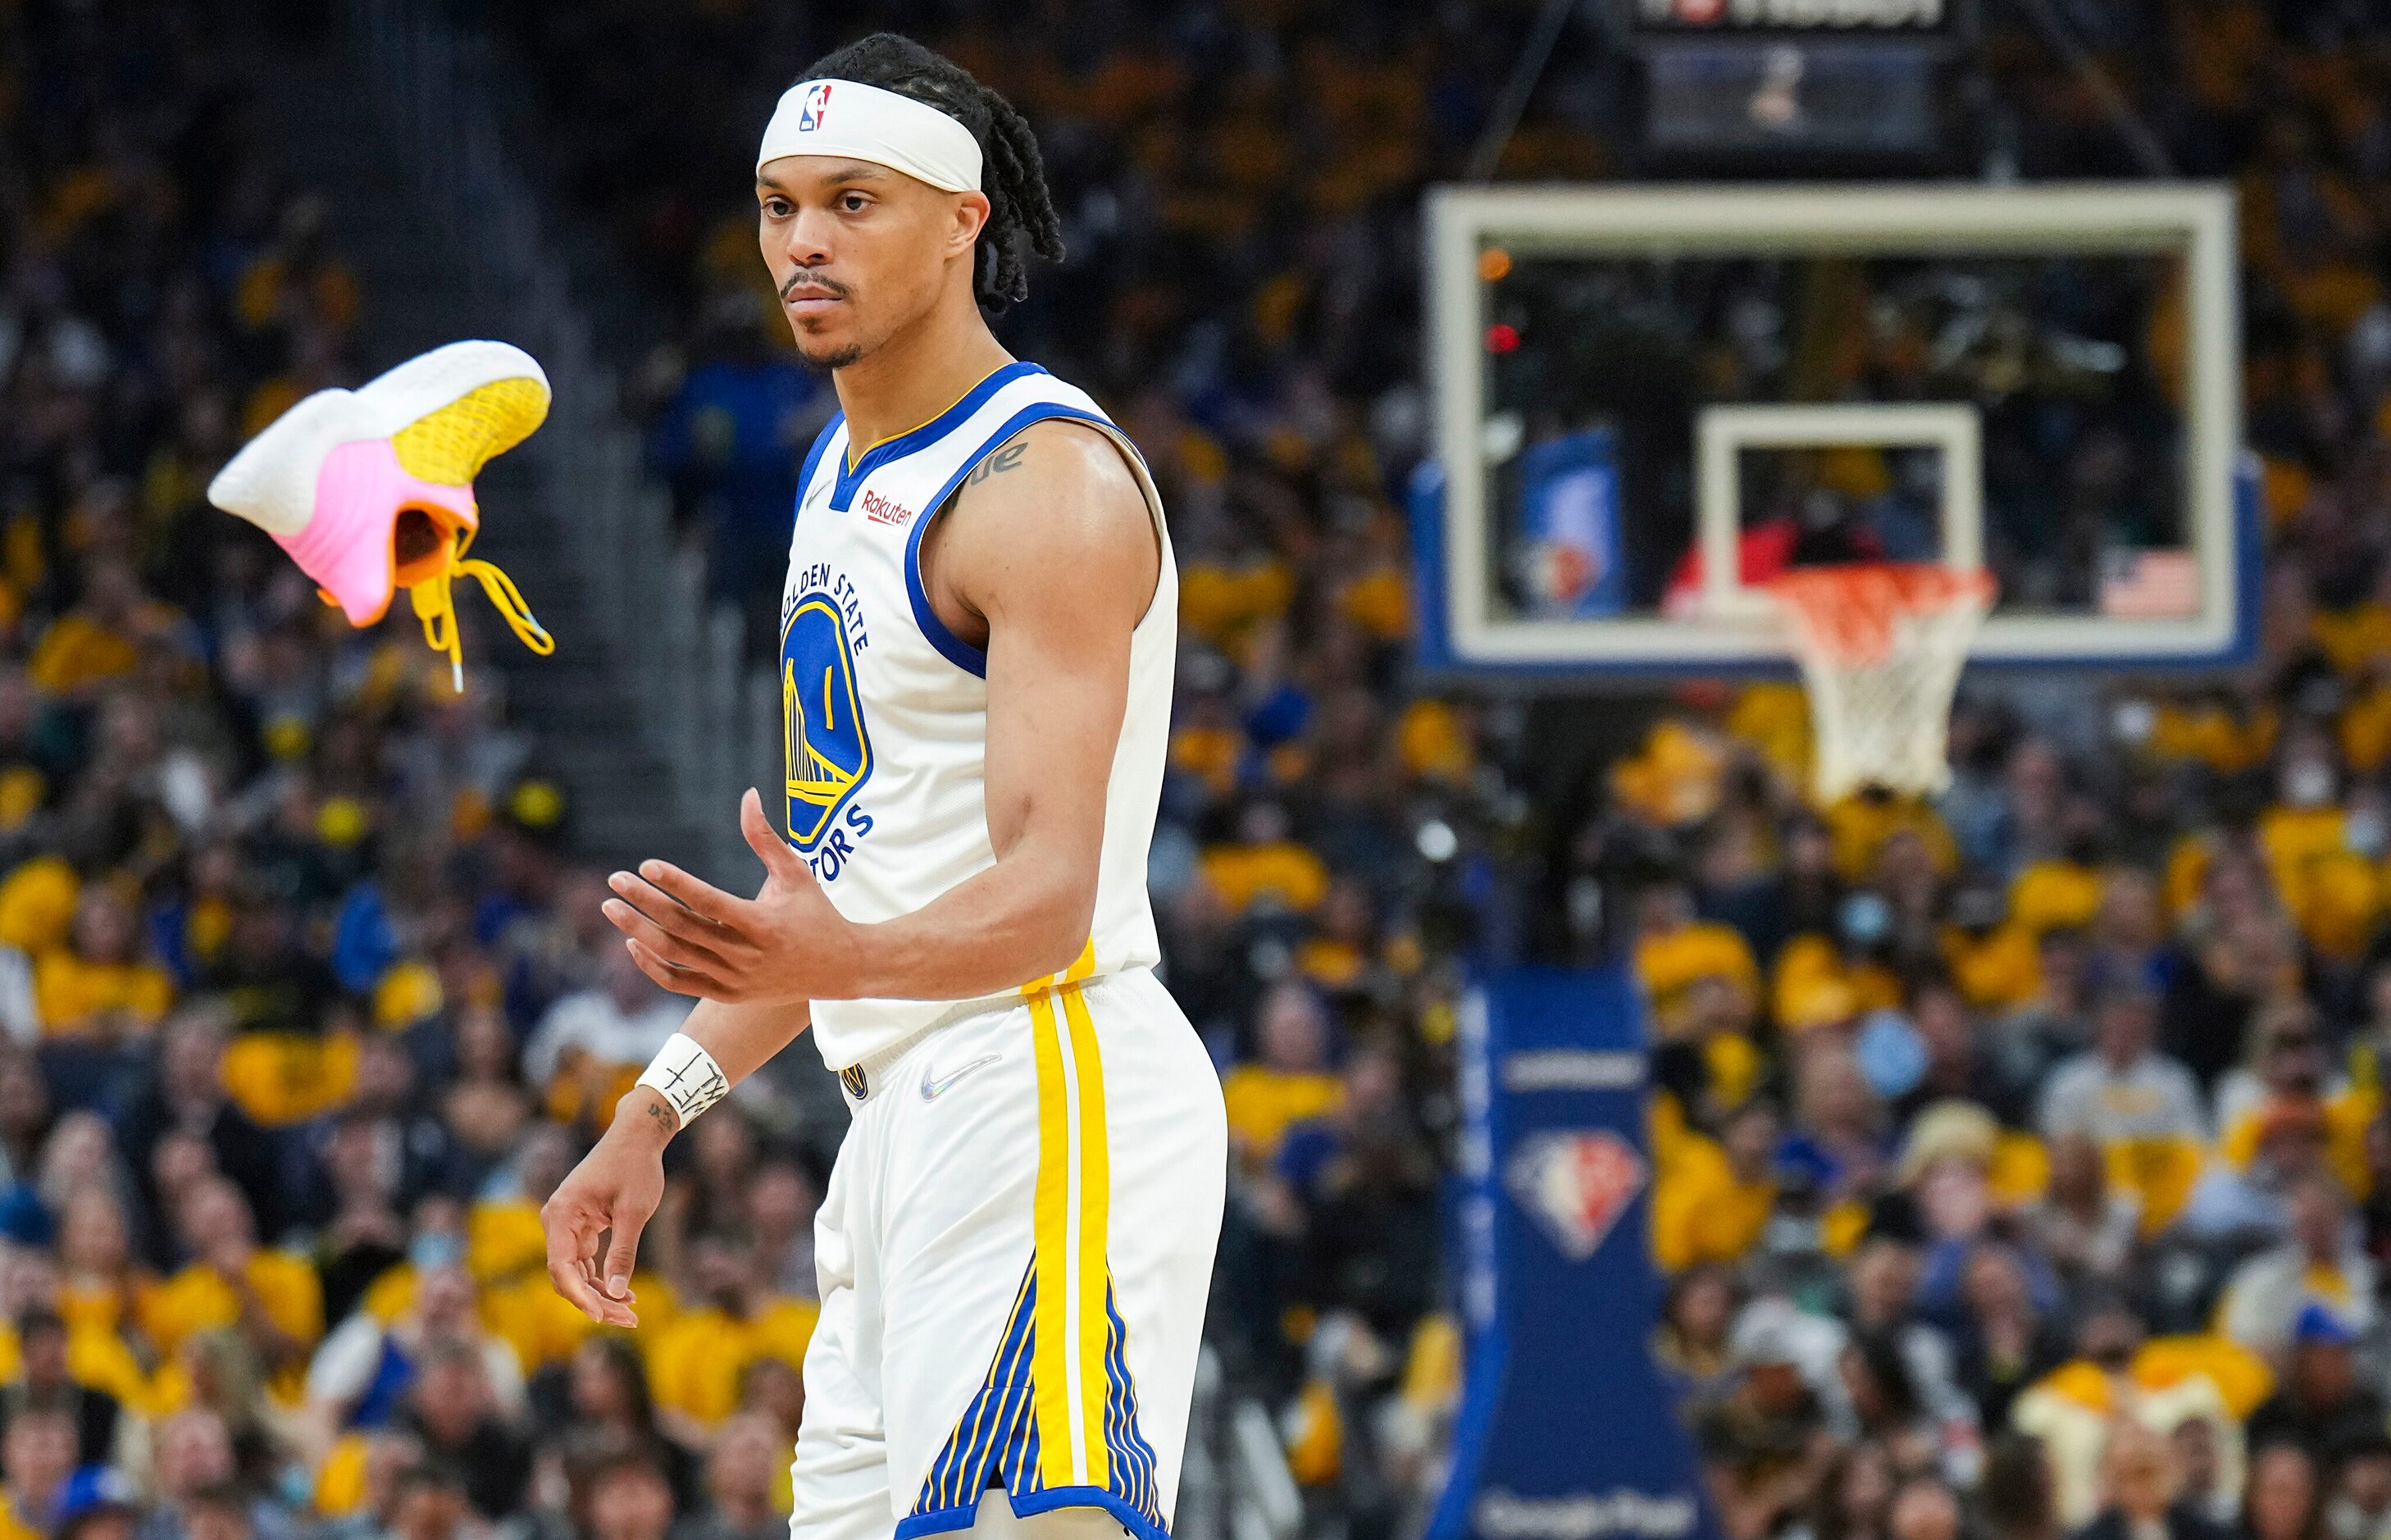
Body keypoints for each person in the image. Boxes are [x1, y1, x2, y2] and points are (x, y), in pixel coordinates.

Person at [540, 33, 1226, 1540]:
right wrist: (654, 1111)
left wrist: (831, 958)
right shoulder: (835, 476)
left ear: (965, 220)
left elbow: (1047, 895)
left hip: (1041, 1073)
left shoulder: (1042, 487)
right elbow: (844, 887)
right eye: (781, 205)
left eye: (854, 201)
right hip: (898, 1119)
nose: (802, 241)